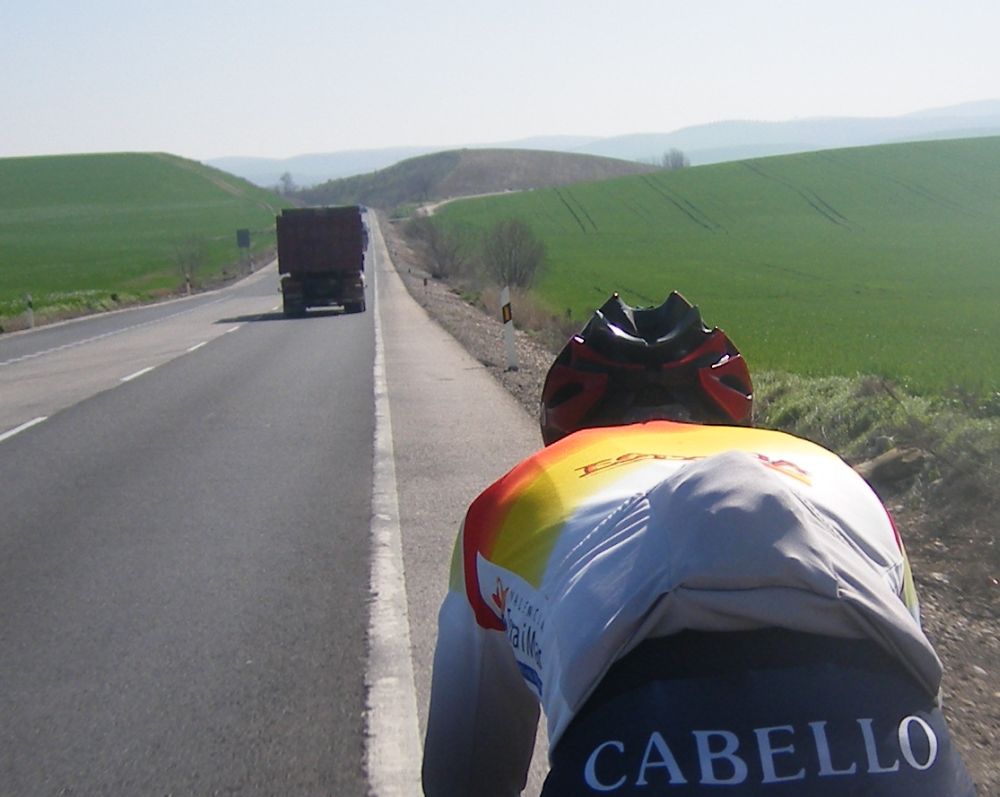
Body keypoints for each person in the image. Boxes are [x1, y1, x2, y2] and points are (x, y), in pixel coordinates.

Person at [422, 292, 975, 796]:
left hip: (632, 748)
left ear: (565, 428)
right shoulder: (836, 475)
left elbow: (465, 771)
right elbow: (915, 662)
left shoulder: (511, 498)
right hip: (897, 742)